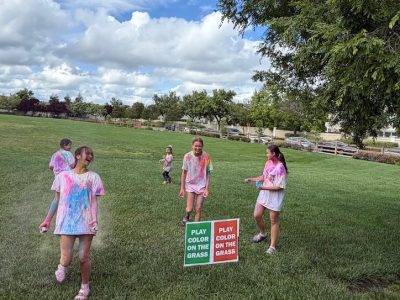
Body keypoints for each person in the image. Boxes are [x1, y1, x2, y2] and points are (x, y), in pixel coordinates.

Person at [39, 146, 105, 300]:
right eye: (86, 153)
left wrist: (94, 219)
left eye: (91, 154)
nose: (89, 156)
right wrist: (47, 220)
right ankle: (62, 266)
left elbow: (94, 202)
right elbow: (56, 200)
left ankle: (84, 287)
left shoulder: (94, 177)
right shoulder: (62, 176)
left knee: (83, 257)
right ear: (77, 156)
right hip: (66, 223)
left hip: (86, 223)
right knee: (67, 259)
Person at [244, 144, 288, 255]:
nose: (266, 154)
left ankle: (272, 247)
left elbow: (279, 187)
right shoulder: (268, 163)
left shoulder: (281, 167)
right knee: (257, 215)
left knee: (274, 221)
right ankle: (263, 234)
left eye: (268, 152)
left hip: (275, 197)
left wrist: (263, 187)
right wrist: (252, 179)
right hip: (264, 194)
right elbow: (264, 177)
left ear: (273, 154)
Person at [179, 137, 213, 225]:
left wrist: (206, 188)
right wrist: (182, 188)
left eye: (200, 146)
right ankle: (187, 215)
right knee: (189, 208)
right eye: (196, 146)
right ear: (192, 146)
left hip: (201, 185)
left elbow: (208, 173)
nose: (198, 148)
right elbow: (184, 172)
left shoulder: (206, 156)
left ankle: (195, 227)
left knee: (198, 208)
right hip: (190, 184)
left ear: (202, 146)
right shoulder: (187, 156)